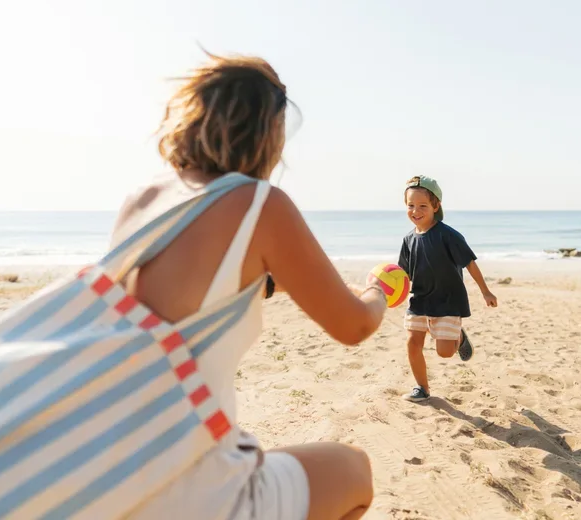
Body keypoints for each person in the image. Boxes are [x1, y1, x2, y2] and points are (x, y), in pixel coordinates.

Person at [109, 53, 386, 519]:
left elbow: (180, 293)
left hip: (111, 456)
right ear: (269, 130)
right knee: (355, 472)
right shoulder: (260, 204)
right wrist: (376, 291)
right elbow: (354, 326)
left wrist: (269, 283)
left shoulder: (142, 199)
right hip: (184, 478)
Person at [397, 176, 498, 403]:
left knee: (445, 352)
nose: (416, 210)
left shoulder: (448, 235)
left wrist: (486, 291)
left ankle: (459, 336)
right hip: (420, 300)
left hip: (448, 301)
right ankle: (422, 388)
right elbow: (402, 275)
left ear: (436, 206)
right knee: (413, 342)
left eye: (422, 205)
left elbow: (469, 262)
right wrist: (387, 293)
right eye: (410, 205)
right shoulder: (408, 240)